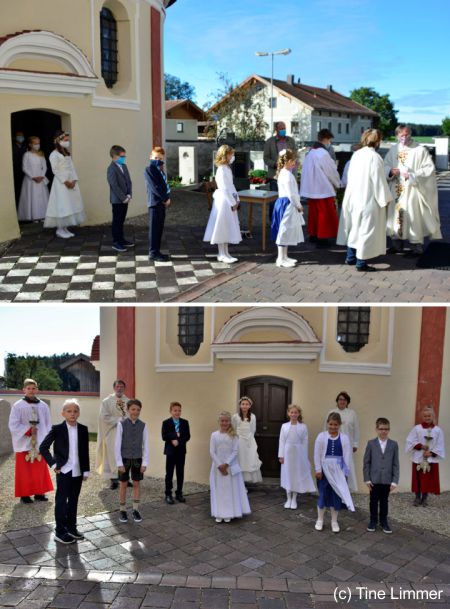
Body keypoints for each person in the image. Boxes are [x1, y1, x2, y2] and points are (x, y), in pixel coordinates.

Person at [337, 129, 393, 272]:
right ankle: (361, 263)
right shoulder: (375, 157)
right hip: (367, 199)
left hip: (353, 197)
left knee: (354, 228)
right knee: (366, 230)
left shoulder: (357, 154)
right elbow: (378, 181)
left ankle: (350, 257)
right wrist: (385, 199)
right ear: (378, 141)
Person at [384, 124, 442, 256]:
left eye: (406, 134)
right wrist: (391, 171)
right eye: (401, 135)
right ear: (397, 135)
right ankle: (397, 244)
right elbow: (385, 165)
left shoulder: (419, 150)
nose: (404, 137)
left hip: (412, 189)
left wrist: (412, 174)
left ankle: (417, 246)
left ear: (410, 134)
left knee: (413, 216)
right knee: (396, 216)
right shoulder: (394, 150)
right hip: (397, 189)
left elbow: (429, 169)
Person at [39, 399, 90, 544]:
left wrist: (86, 470)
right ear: (63, 413)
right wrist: (54, 464)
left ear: (78, 413)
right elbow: (43, 447)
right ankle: (60, 531)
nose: (72, 414)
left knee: (73, 500)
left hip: (78, 472)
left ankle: (71, 528)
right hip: (64, 471)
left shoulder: (83, 429)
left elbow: (85, 452)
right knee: (61, 501)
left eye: (75, 411)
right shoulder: (57, 429)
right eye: (69, 411)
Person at [8, 378, 53, 504]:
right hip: (24, 443)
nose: (31, 390)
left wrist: (48, 439)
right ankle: (25, 494)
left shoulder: (43, 406)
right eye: (28, 388)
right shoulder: (18, 406)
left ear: (37, 389)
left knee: (39, 469)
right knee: (25, 471)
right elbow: (13, 424)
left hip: (40, 443)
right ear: (24, 390)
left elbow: (48, 423)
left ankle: (39, 493)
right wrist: (28, 431)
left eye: (34, 388)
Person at [314, 412, 355, 533]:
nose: (333, 427)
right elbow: (317, 453)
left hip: (337, 471)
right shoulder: (321, 436)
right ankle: (320, 519)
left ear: (339, 425)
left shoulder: (344, 438)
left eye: (335, 425)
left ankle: (334, 521)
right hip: (324, 471)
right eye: (331, 424)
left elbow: (347, 456)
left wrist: (344, 472)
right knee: (323, 495)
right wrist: (318, 469)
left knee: (336, 495)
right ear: (327, 424)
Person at [300, 129, 341, 247]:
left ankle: (313, 235)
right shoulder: (323, 153)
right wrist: (337, 183)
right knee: (324, 214)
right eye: (330, 140)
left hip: (312, 189)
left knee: (314, 213)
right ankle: (322, 239)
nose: (330, 143)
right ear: (326, 139)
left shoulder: (311, 152)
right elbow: (331, 171)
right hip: (322, 189)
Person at [209, 411, 251, 523]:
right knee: (219, 490)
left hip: (230, 466)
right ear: (219, 422)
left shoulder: (234, 436)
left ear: (229, 422)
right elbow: (212, 452)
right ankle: (219, 513)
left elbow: (235, 451)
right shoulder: (214, 435)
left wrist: (226, 464)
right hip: (217, 468)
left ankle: (228, 513)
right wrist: (219, 465)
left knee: (229, 490)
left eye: (226, 421)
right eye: (222, 421)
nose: (224, 423)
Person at [44, 131, 86, 238]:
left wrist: (74, 180)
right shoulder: (54, 154)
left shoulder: (66, 153)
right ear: (58, 141)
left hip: (71, 181)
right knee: (63, 203)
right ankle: (59, 229)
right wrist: (66, 181)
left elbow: (72, 167)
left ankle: (65, 227)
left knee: (70, 203)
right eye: (66, 140)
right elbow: (55, 170)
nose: (68, 142)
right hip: (61, 183)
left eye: (68, 140)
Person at [203, 145, 241, 263]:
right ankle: (221, 253)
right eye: (231, 154)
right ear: (225, 155)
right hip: (224, 201)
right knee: (222, 226)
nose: (232, 156)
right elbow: (224, 188)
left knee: (227, 226)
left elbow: (231, 185)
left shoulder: (227, 168)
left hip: (229, 199)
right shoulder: (221, 169)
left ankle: (226, 252)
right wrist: (232, 202)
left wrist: (237, 198)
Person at [115, 399, 149, 523]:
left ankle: (135, 509)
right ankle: (122, 510)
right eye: (133, 409)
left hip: (138, 459)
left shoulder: (143, 425)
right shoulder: (121, 424)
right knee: (123, 484)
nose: (136, 412)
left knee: (136, 484)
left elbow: (146, 445)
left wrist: (145, 463)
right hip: (124, 459)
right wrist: (119, 462)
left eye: (138, 409)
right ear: (128, 410)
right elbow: (117, 444)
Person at [363, 417, 399, 534]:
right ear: (377, 429)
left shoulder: (393, 444)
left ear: (389, 430)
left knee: (384, 501)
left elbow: (395, 463)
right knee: (373, 501)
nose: (384, 431)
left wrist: (394, 481)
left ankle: (384, 521)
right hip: (374, 479)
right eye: (381, 429)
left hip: (387, 479)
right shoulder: (371, 443)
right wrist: (367, 479)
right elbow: (366, 462)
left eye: (386, 429)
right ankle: (373, 520)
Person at [270, 149, 305, 267]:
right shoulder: (287, 175)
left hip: (286, 203)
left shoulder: (284, 173)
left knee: (287, 229)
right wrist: (299, 206)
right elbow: (291, 194)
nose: (295, 163)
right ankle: (280, 258)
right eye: (294, 161)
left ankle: (285, 256)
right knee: (283, 231)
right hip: (287, 204)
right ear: (289, 161)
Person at [405, 406, 445, 507]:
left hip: (430, 459)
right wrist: (421, 446)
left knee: (427, 479)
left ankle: (424, 498)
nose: (427, 417)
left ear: (433, 416)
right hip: (418, 457)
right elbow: (410, 441)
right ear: (422, 417)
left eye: (429, 416)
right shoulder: (417, 428)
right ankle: (417, 497)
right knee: (418, 478)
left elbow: (440, 445)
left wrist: (431, 453)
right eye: (425, 416)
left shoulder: (438, 430)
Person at [278, 405, 315, 510]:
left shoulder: (303, 427)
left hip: (298, 453)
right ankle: (288, 498)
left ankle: (294, 498)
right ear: (288, 413)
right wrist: (281, 455)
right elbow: (281, 441)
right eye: (292, 412)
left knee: (296, 475)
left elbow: (305, 441)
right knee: (287, 474)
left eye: (296, 412)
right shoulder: (284, 426)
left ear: (299, 414)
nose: (293, 414)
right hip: (287, 452)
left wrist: (304, 456)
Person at [96, 379, 130, 490]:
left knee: (125, 454)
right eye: (117, 386)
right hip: (112, 432)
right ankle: (114, 480)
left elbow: (133, 413)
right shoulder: (107, 401)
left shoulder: (128, 401)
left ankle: (124, 478)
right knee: (112, 454)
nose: (119, 388)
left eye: (121, 386)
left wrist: (127, 420)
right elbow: (103, 416)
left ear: (124, 388)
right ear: (114, 388)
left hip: (125, 432)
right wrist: (118, 420)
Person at [324, 391, 360, 491]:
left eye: (344, 400)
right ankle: (334, 488)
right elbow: (325, 428)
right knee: (334, 466)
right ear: (337, 401)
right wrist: (325, 442)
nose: (342, 401)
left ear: (347, 402)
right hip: (333, 444)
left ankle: (346, 490)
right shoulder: (331, 412)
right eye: (340, 399)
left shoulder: (352, 413)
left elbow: (356, 429)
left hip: (347, 444)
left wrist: (355, 443)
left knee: (346, 466)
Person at [144, 146, 171, 262]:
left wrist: (167, 197)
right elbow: (155, 187)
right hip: (154, 203)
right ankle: (153, 253)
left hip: (161, 203)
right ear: (150, 157)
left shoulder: (159, 169)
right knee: (154, 229)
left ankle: (157, 251)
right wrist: (165, 198)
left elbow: (163, 185)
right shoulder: (149, 169)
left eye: (160, 158)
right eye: (155, 157)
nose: (157, 160)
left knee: (159, 228)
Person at [162, 401, 191, 504]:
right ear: (170, 411)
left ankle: (179, 493)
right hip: (170, 451)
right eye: (175, 410)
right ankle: (168, 494)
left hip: (181, 451)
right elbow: (164, 436)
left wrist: (178, 441)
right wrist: (174, 437)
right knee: (169, 473)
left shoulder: (185, 422)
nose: (177, 412)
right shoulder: (166, 422)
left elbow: (187, 436)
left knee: (180, 472)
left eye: (179, 410)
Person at [107, 145, 134, 253]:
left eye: (124, 156)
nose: (124, 158)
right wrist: (123, 198)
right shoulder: (111, 169)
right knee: (117, 221)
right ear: (114, 156)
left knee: (122, 220)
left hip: (126, 198)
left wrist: (129, 195)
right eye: (122, 156)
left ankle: (121, 239)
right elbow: (114, 185)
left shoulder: (124, 166)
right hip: (117, 200)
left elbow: (129, 181)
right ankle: (116, 242)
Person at [17, 136, 49, 222]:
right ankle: (34, 216)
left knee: (41, 198)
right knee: (32, 197)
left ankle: (42, 215)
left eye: (38, 143)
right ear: (30, 144)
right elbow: (24, 168)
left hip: (40, 179)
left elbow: (45, 167)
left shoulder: (41, 154)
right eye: (35, 143)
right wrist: (33, 177)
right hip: (31, 180)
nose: (37, 145)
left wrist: (42, 176)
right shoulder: (27, 155)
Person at [231, 396, 262, 485]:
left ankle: (245, 482)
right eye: (243, 404)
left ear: (250, 406)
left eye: (247, 404)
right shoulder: (235, 416)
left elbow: (253, 430)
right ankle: (238, 483)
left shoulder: (252, 417)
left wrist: (249, 439)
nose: (245, 406)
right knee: (240, 460)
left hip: (249, 441)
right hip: (239, 441)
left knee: (248, 460)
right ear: (240, 405)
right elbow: (234, 428)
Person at [264, 122, 297, 191]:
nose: (283, 130)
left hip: (289, 175)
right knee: (275, 197)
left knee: (289, 197)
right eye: (281, 129)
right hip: (275, 176)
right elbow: (266, 158)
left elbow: (295, 155)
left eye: (284, 128)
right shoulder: (269, 142)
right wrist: (275, 164)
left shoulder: (291, 141)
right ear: (276, 129)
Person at [12, 130, 27, 207]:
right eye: (19, 136)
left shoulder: (25, 148)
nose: (21, 138)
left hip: (24, 173)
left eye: (22, 136)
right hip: (15, 172)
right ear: (15, 137)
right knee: (16, 191)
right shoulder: (12, 148)